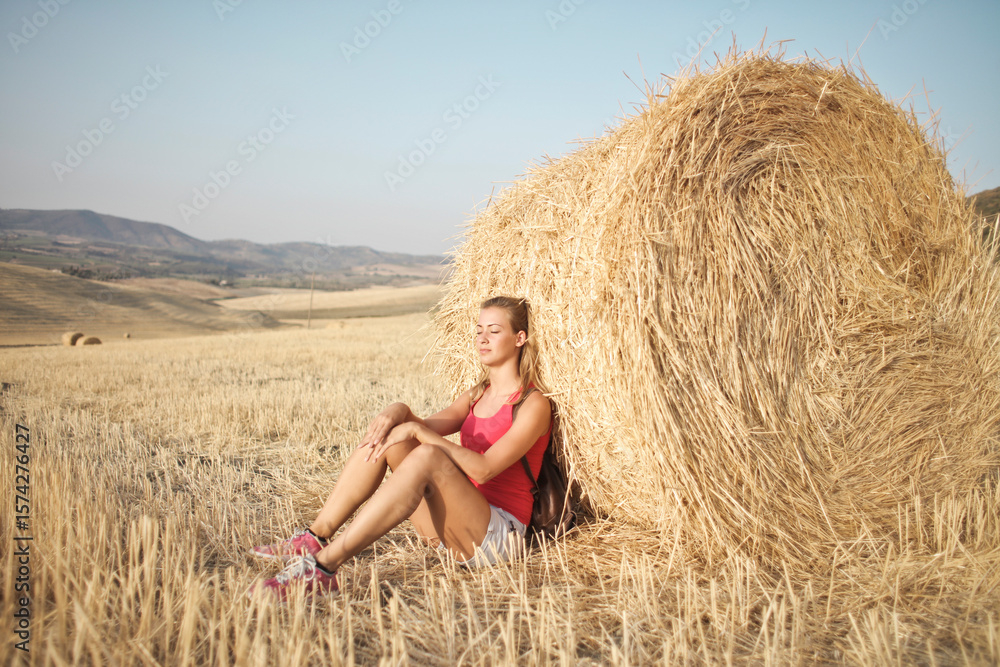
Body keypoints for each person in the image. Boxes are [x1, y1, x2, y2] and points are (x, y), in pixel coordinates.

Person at [249, 296, 552, 600]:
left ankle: (322, 568)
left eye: (494, 331)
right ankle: (315, 537)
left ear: (519, 338)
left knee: (428, 454)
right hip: (454, 525)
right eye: (479, 330)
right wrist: (399, 410)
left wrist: (418, 431)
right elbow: (419, 426)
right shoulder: (476, 394)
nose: (482, 339)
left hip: (499, 535)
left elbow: (484, 470)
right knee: (393, 438)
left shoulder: (533, 404)